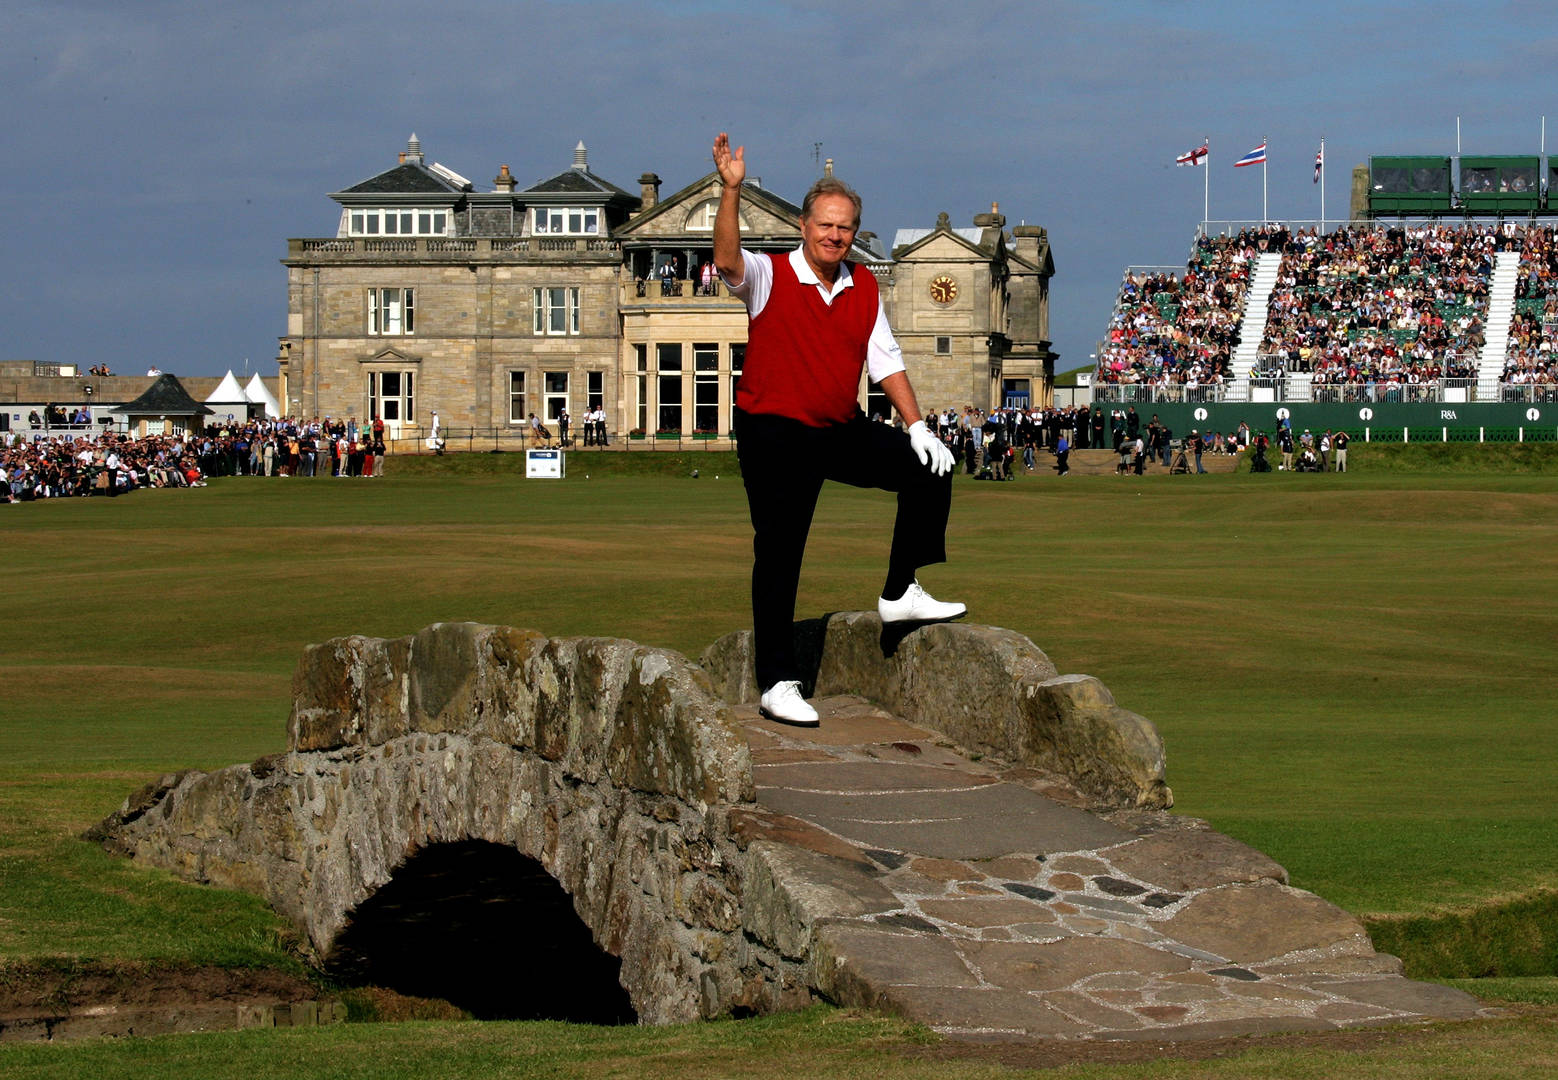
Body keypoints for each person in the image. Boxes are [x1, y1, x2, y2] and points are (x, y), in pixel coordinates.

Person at [712, 131, 961, 728]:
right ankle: (776, 681)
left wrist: (918, 425)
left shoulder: (864, 284)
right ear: (804, 226)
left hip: (835, 425)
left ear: (854, 232)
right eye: (825, 225)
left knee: (929, 469)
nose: (834, 236)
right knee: (780, 548)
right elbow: (726, 261)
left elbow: (886, 359)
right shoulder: (770, 275)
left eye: (844, 227)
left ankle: (901, 591)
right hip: (772, 429)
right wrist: (731, 191)